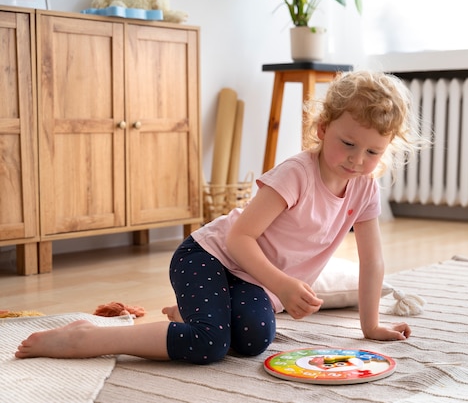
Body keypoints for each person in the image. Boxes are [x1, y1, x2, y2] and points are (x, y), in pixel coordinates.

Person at [15, 70, 424, 364]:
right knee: (208, 345)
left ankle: (190, 313)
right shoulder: (296, 174)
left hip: (251, 278)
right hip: (210, 256)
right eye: (348, 143)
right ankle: (89, 338)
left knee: (251, 341)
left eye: (373, 152)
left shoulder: (365, 188)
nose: (357, 159)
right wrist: (281, 283)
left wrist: (370, 326)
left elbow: (373, 261)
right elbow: (239, 239)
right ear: (321, 129)